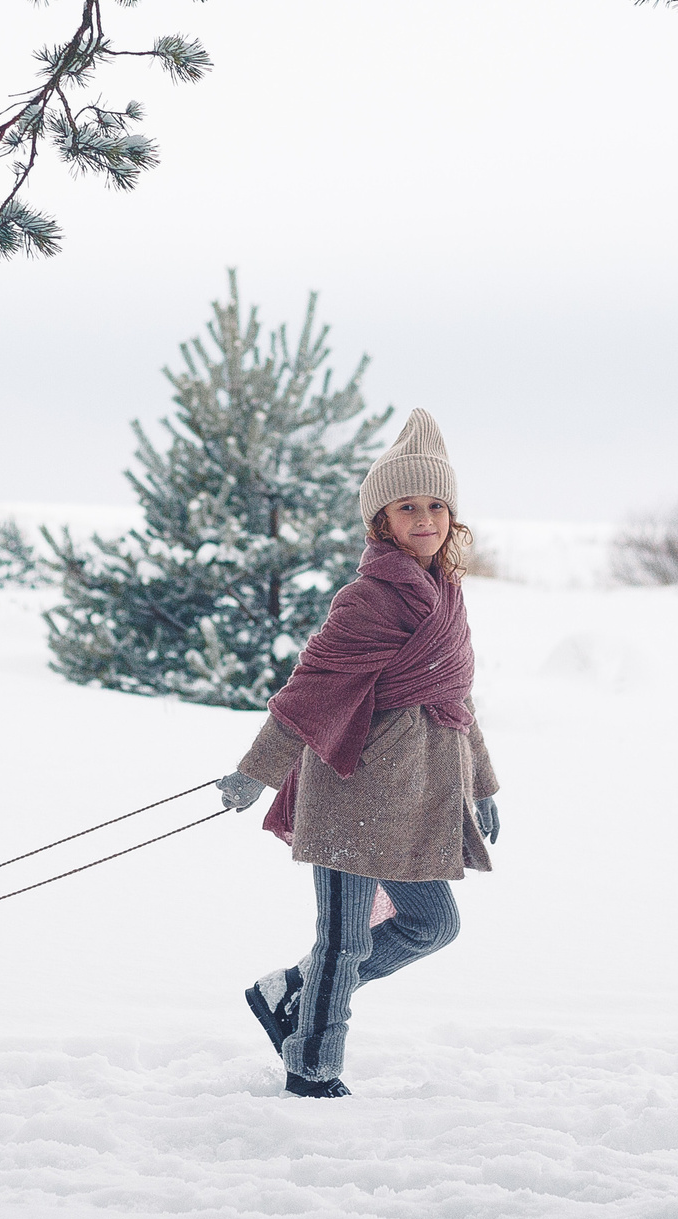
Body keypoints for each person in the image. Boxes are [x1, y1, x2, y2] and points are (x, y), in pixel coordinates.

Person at [214, 408, 503, 1098]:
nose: (425, 518)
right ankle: (312, 1069)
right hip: (352, 791)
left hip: (417, 799)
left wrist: (483, 786)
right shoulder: (369, 599)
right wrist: (256, 772)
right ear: (383, 520)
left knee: (433, 925)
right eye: (409, 506)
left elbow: (457, 702)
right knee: (342, 943)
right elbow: (307, 693)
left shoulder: (447, 596)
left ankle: (290, 989)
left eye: (436, 505)